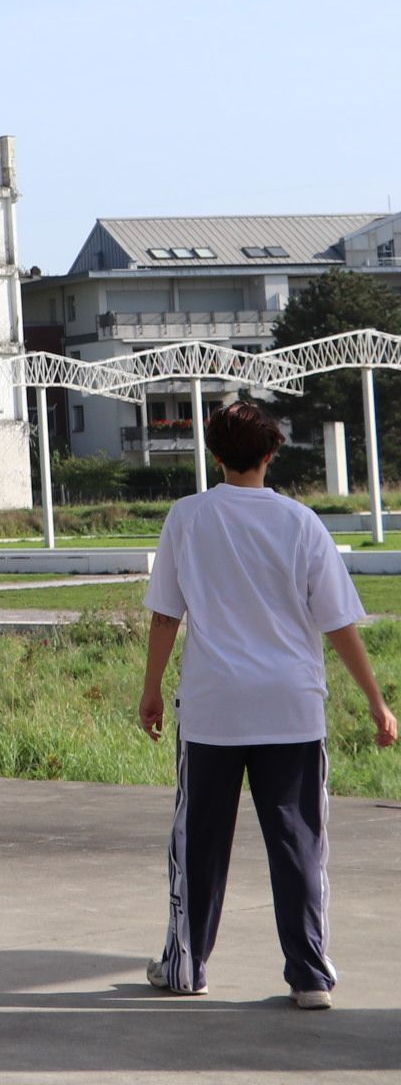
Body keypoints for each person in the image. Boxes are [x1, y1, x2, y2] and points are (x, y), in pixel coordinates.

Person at [140, 399, 396, 1006]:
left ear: (215, 452)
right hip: (291, 708)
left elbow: (164, 616)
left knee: (198, 842)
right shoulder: (300, 522)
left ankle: (185, 967)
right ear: (272, 452)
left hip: (212, 709)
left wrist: (151, 689)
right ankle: (309, 977)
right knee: (299, 841)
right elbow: (338, 624)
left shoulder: (187, 517)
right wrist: (377, 702)